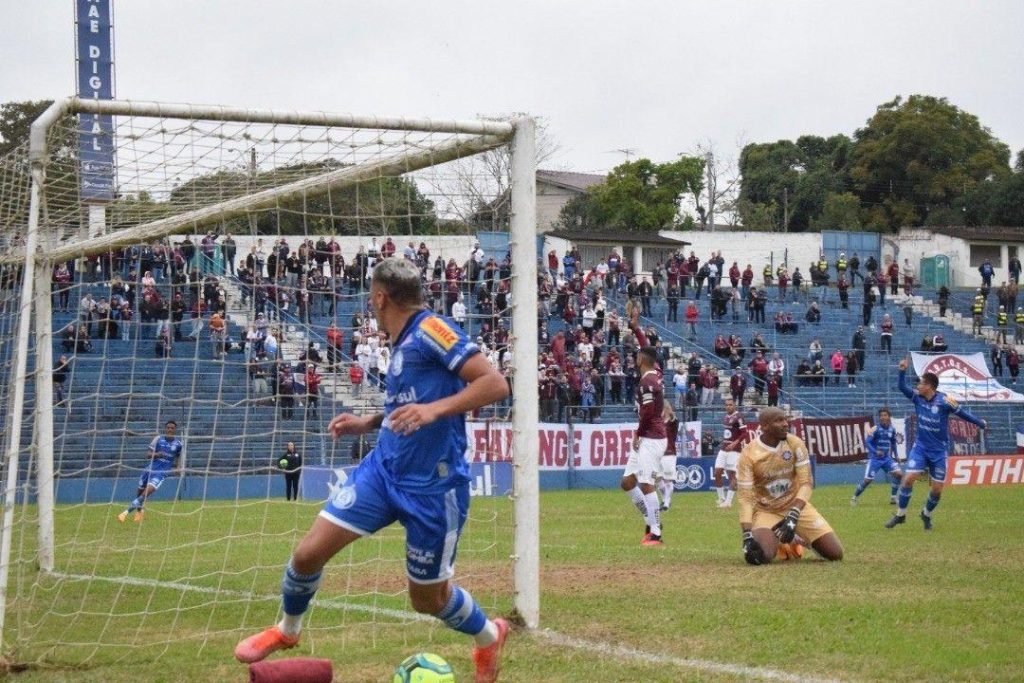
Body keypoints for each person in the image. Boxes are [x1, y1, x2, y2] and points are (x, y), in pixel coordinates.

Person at [235, 258, 511, 681]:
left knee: (428, 601)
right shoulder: (401, 341)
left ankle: (489, 637)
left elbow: (494, 383)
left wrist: (434, 410)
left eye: (370, 296)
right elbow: (408, 402)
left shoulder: (432, 331)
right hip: (383, 472)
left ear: (379, 297)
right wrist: (368, 422)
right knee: (308, 554)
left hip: (433, 490)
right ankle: (288, 631)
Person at [885, 357, 987, 531]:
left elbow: (962, 414)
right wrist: (901, 370)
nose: (917, 386)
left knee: (937, 490)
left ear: (929, 387)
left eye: (921, 383)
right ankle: (900, 515)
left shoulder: (945, 401)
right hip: (920, 448)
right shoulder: (917, 398)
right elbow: (901, 387)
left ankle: (926, 514)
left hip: (939, 452)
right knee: (908, 479)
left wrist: (980, 423)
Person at [738, 407, 844, 565]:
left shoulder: (795, 443)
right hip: (767, 510)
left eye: (785, 419)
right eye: (779, 420)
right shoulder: (748, 454)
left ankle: (797, 539)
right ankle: (782, 540)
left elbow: (806, 482)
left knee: (835, 554)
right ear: (765, 426)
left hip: (797, 507)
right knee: (761, 557)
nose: (785, 424)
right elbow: (745, 498)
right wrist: (747, 535)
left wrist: (794, 514)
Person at [620, 347, 667, 547]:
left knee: (646, 483)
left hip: (652, 437)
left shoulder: (647, 381)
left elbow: (647, 412)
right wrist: (637, 328)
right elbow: (649, 350)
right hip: (647, 436)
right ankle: (650, 519)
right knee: (627, 482)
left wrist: (637, 433)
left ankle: (655, 533)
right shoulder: (654, 374)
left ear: (640, 359)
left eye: (636, 356)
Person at [117, 420, 183, 523]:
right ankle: (139, 513)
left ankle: (124, 513)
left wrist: (178, 467)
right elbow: (148, 455)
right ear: (165, 429)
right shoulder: (158, 439)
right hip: (149, 470)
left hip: (161, 473)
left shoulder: (178, 444)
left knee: (145, 494)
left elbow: (178, 455)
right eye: (168, 427)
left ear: (175, 430)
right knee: (139, 493)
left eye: (172, 428)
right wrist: (157, 454)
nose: (170, 429)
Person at [851, 409, 902, 505]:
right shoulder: (875, 428)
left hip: (886, 458)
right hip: (875, 459)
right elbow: (867, 442)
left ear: (889, 417)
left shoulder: (892, 429)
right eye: (881, 415)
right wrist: (875, 451)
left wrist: (896, 456)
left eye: (885, 415)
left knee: (899, 474)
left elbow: (893, 443)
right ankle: (854, 497)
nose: (883, 417)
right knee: (867, 481)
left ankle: (893, 498)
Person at [714, 398, 747, 509]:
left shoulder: (739, 417)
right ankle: (721, 498)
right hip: (723, 449)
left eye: (730, 405)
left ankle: (728, 502)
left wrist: (734, 444)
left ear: (735, 406)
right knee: (717, 472)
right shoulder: (726, 417)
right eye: (727, 405)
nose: (728, 406)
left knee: (732, 475)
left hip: (734, 450)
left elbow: (744, 434)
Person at [658, 402, 679, 512]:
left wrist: (669, 412)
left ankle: (666, 503)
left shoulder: (672, 422)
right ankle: (666, 499)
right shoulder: (658, 422)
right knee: (657, 478)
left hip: (669, 453)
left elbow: (674, 418)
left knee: (667, 480)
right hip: (658, 453)